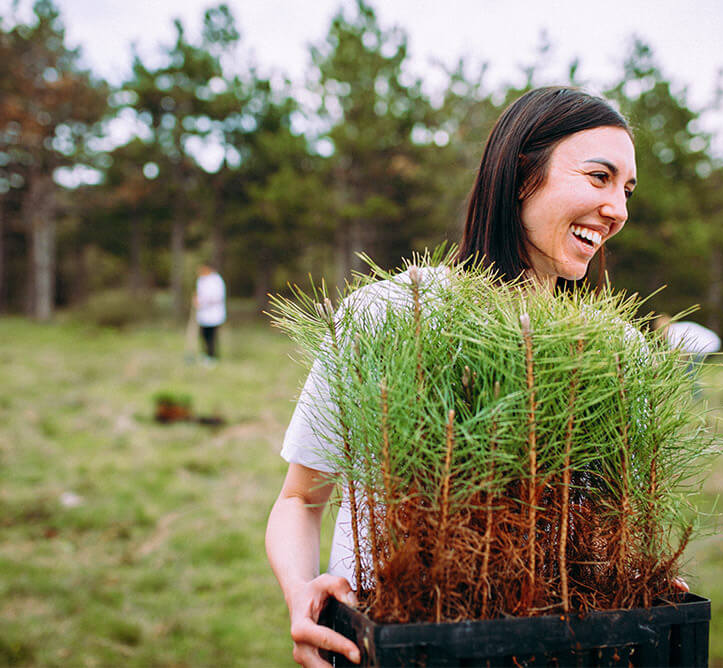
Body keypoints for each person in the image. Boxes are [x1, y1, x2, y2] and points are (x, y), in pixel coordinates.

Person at [265, 87, 638, 667]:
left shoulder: (616, 351)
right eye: (599, 177)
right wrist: (300, 597)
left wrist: (639, 585)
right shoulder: (392, 314)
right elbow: (299, 500)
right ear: (521, 174)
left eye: (626, 189)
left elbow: (606, 527)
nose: (617, 209)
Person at [194, 264, 225, 363]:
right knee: (203, 335)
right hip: (203, 314)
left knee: (211, 336)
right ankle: (205, 354)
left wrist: (202, 302)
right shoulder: (201, 280)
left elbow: (216, 297)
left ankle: (212, 356)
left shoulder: (216, 280)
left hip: (213, 314)